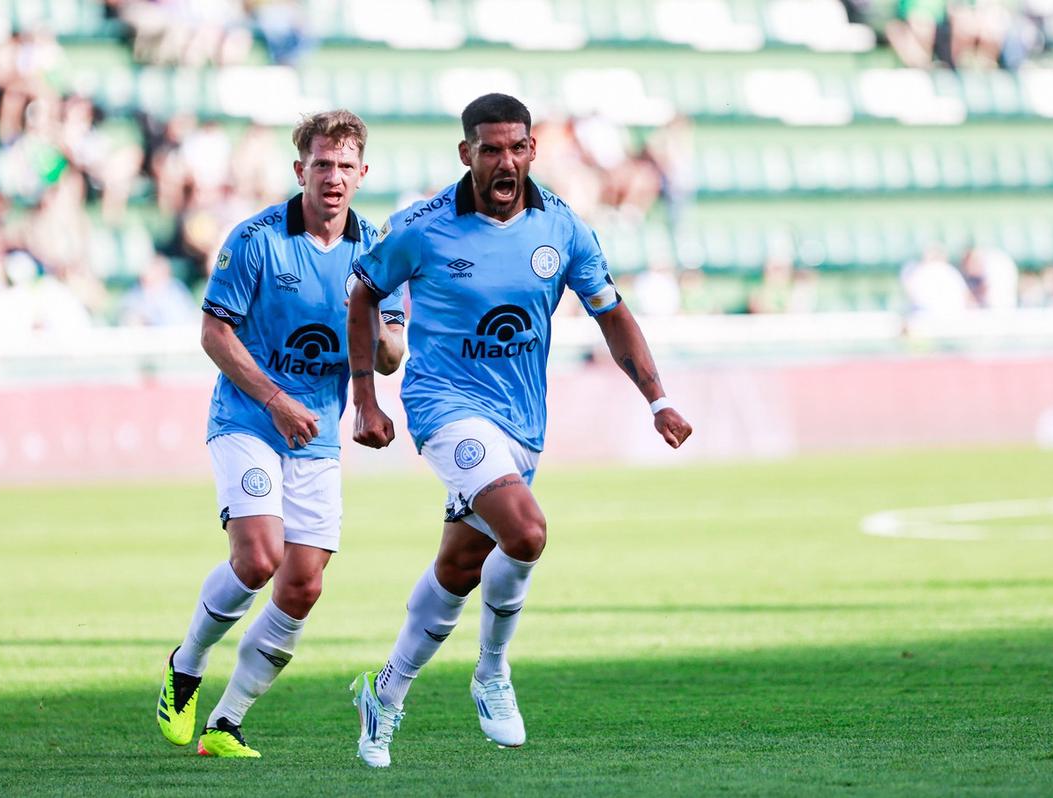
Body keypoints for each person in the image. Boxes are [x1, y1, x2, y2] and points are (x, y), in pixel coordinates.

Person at [345, 93, 693, 768]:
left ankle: (384, 696)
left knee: (459, 568)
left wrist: (657, 399)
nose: (505, 161)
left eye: (516, 147)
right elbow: (363, 292)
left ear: (533, 149)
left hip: (522, 423)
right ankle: (493, 672)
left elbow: (611, 314)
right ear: (466, 153)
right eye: (491, 148)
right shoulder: (422, 226)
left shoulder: (561, 228)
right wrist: (367, 397)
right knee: (527, 531)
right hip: (443, 405)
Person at [156, 110, 406, 758]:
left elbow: (390, 352)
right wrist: (273, 398)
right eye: (322, 164)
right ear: (300, 170)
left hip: (316, 434)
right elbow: (214, 332)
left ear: (362, 174)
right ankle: (185, 667)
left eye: (345, 166)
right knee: (260, 557)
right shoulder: (257, 239)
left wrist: (382, 344)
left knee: (303, 585)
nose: (333, 177)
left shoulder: (376, 248)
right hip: (248, 418)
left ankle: (226, 722)